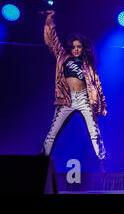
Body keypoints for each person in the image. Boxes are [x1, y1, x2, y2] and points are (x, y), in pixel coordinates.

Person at [41, 10, 108, 171]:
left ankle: (103, 161)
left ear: (82, 48)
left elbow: (97, 86)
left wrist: (103, 105)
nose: (76, 49)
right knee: (52, 133)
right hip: (66, 99)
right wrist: (49, 21)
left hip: (85, 99)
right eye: (74, 47)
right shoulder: (62, 57)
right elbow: (52, 41)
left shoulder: (88, 65)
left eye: (79, 47)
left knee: (94, 132)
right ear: (69, 48)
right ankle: (41, 162)